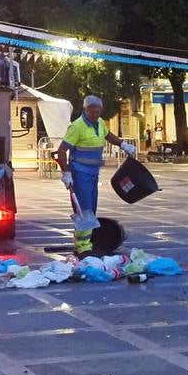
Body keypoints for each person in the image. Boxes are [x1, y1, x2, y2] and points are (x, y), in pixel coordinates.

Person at [55, 95, 135, 255]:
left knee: (91, 209)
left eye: (98, 112)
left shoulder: (99, 123)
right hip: (80, 173)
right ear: (85, 110)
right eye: (92, 112)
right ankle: (83, 246)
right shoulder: (77, 127)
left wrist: (123, 144)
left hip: (93, 173)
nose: (95, 115)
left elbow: (107, 135)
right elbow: (61, 151)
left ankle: (86, 242)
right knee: (84, 210)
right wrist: (66, 173)